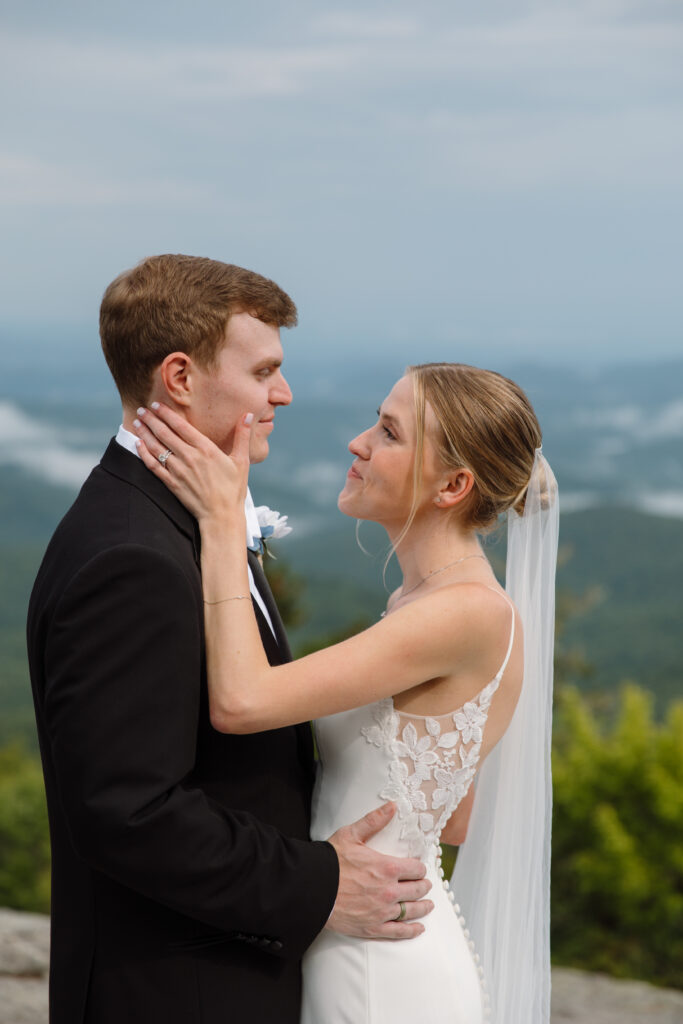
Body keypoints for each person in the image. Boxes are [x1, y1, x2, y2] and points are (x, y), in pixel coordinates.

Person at [26, 254, 433, 1024]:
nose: (282, 393)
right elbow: (126, 810)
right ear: (179, 376)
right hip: (177, 992)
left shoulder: (186, 517)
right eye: (264, 371)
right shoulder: (132, 557)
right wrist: (318, 884)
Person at [133, 361, 559, 1024]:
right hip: (360, 929)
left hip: (381, 967)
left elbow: (242, 702)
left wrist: (221, 521)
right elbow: (453, 816)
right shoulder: (423, 603)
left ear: (452, 485)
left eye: (388, 433)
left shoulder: (465, 613)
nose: (358, 443)